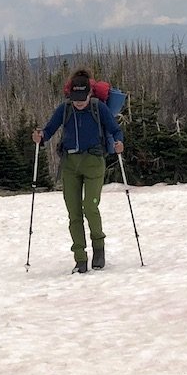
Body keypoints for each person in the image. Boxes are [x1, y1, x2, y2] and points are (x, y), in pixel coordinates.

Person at [33, 69, 125, 273]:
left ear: (90, 93)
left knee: (90, 207)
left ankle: (98, 248)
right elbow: (49, 130)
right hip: (70, 164)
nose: (79, 102)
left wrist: (119, 142)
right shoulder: (65, 109)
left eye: (82, 98)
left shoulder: (98, 107)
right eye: (76, 98)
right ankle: (80, 258)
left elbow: (115, 129)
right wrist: (40, 137)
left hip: (94, 162)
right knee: (74, 213)